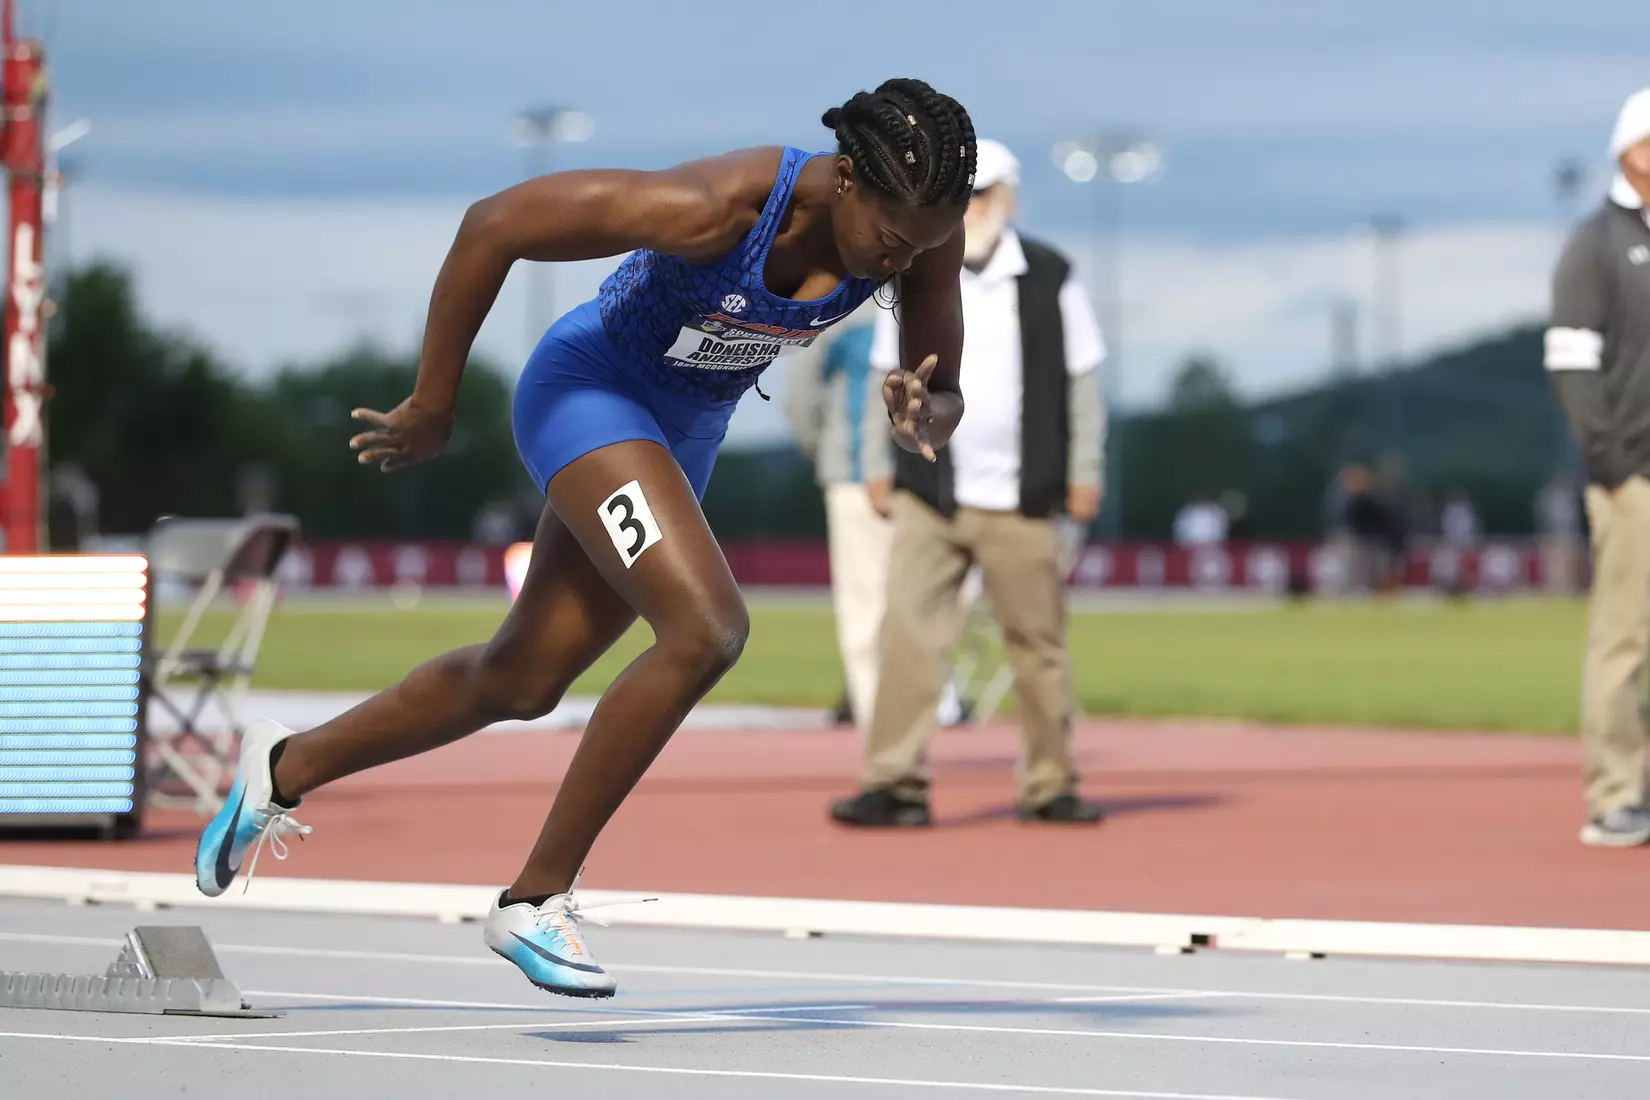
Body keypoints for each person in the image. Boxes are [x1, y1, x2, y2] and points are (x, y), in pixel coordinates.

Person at [193, 78, 980, 993]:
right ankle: (534, 898)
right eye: (890, 238)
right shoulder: (714, 207)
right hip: (590, 393)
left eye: (919, 246)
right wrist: (435, 400)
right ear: (846, 178)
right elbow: (494, 224)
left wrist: (923, 416)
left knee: (523, 681)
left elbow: (941, 396)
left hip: (684, 435)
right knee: (706, 631)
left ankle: (284, 765)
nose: (898, 261)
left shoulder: (924, 232)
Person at [830, 138, 1107, 827]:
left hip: (1022, 497)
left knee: (1037, 645)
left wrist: (1085, 473)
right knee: (907, 637)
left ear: (1007, 199)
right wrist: (875, 465)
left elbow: (1083, 385)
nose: (970, 209)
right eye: (959, 197)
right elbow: (882, 378)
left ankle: (1050, 783)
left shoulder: (1051, 276)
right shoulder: (914, 270)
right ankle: (894, 782)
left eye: (981, 195)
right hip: (931, 494)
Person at [783, 298, 969, 731]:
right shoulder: (834, 311)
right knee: (865, 608)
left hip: (930, 480)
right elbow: (800, 397)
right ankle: (878, 728)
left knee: (935, 597)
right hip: (854, 478)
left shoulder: (935, 300)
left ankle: (930, 704)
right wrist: (828, 450)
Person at [1544, 86, 1650, 847]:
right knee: (1625, 638)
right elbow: (1572, 364)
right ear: (1632, 151)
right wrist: (1611, 466)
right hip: (1635, 474)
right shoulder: (1596, 242)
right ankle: (1615, 793)